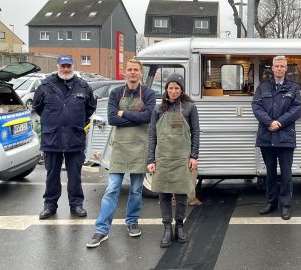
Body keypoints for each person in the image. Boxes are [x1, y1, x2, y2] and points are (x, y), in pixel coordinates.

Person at [86, 59, 156, 248]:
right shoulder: (116, 92)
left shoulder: (149, 93)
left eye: (136, 70)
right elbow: (111, 119)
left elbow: (148, 117)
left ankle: (132, 222)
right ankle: (101, 230)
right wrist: (135, 118)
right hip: (120, 147)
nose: (133, 73)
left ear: (141, 73)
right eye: (130, 70)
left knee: (135, 190)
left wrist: (123, 114)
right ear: (125, 73)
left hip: (140, 147)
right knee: (112, 189)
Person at [33, 55, 96, 220]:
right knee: (52, 174)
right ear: (58, 66)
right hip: (52, 137)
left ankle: (76, 205)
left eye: (69, 66)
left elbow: (90, 108)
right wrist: (55, 121)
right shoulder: (45, 85)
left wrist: (73, 121)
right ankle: (50, 206)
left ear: (73, 66)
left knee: (75, 174)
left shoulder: (83, 86)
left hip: (74, 137)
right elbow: (37, 107)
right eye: (63, 66)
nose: (66, 69)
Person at [147, 73, 200, 248]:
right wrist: (151, 159)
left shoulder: (189, 107)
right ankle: (166, 228)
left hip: (182, 158)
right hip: (162, 158)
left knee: (181, 194)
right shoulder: (158, 109)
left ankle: (179, 226)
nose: (173, 91)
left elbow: (196, 133)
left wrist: (194, 156)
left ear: (181, 90)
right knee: (163, 194)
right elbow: (152, 136)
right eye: (170, 88)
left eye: (177, 88)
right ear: (166, 89)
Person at [251, 55, 301, 220]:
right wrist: (269, 122)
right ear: (272, 68)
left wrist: (278, 123)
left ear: (286, 68)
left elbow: (296, 109)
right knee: (270, 173)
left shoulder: (294, 88)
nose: (279, 69)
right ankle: (271, 202)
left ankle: (285, 205)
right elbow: (256, 106)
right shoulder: (263, 87)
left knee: (286, 174)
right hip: (267, 137)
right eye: (277, 66)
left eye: (282, 66)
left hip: (285, 138)